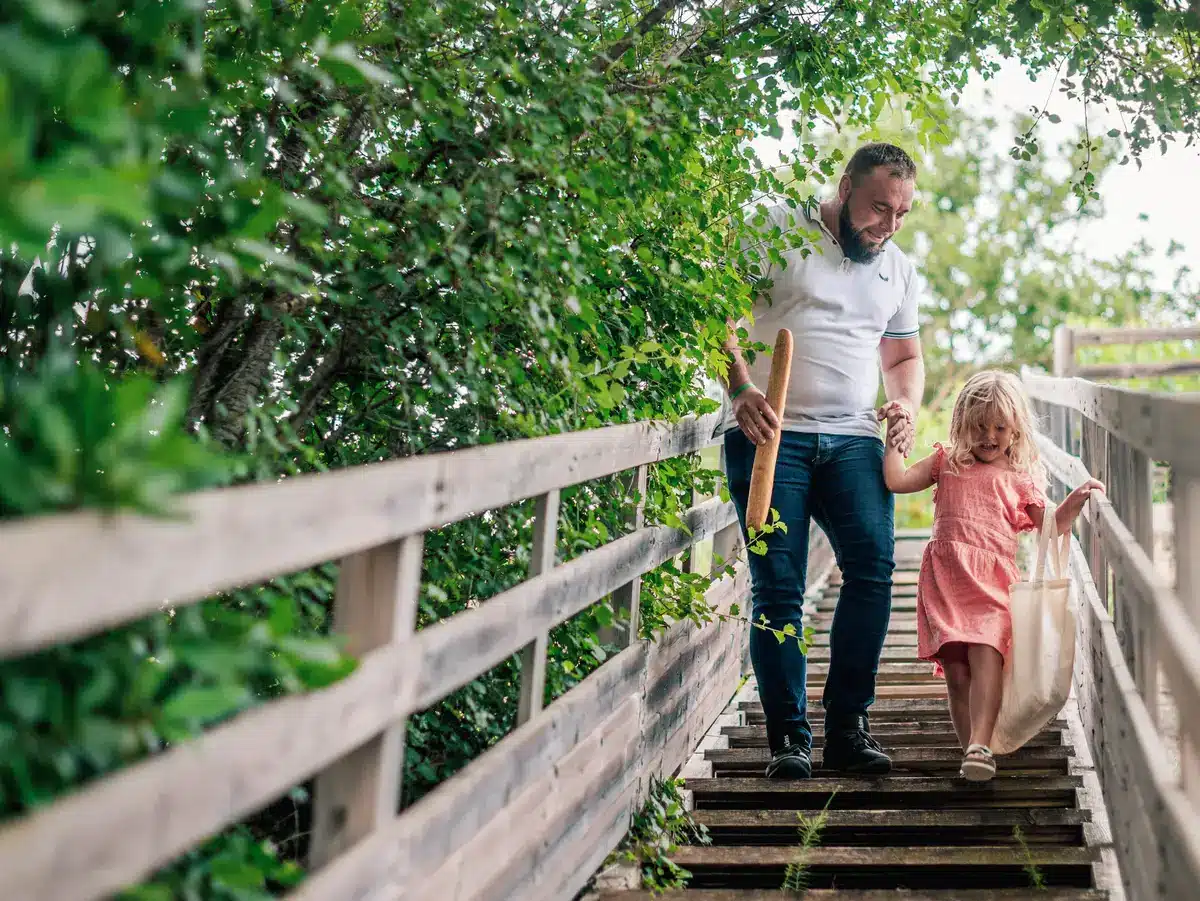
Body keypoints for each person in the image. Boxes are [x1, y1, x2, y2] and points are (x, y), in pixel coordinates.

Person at [720, 142, 925, 779]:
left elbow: (902, 359)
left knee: (873, 568)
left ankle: (848, 727)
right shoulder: (773, 229)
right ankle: (788, 738)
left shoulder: (898, 269)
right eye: (877, 209)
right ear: (844, 188)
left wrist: (907, 407)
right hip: (769, 439)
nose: (887, 226)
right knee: (777, 586)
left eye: (901, 214)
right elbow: (714, 319)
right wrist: (740, 388)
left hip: (854, 443)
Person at [882, 370, 1103, 781]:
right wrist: (894, 433)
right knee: (957, 672)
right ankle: (971, 753)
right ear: (962, 424)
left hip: (993, 584)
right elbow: (895, 480)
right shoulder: (945, 461)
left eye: (999, 426)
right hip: (947, 581)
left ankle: (982, 745)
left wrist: (1076, 498)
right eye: (979, 425)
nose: (989, 435)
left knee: (986, 656)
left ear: (1015, 428)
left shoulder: (1019, 477)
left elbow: (1050, 524)